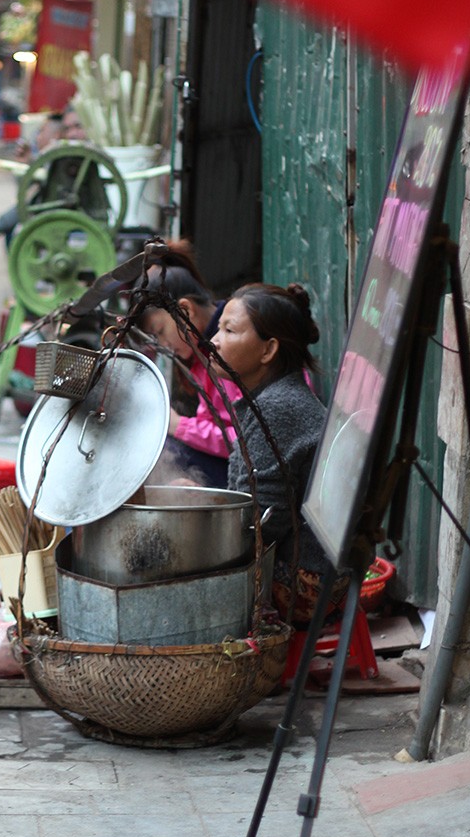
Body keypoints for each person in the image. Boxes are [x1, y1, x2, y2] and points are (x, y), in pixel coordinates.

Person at [213, 281, 331, 620]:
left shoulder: (277, 409)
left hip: (307, 578)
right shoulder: (272, 398)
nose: (213, 341)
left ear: (268, 350)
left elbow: (263, 524)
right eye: (219, 328)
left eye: (229, 330)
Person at [140, 243, 240, 489]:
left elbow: (246, 443)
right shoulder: (199, 357)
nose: (163, 345)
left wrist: (180, 426)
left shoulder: (227, 350)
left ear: (185, 310)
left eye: (161, 332)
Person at [0, 108, 86, 250]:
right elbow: (30, 196)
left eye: (41, 131)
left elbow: (30, 200)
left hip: (72, 228)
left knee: (17, 234)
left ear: (56, 135)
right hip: (64, 222)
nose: (37, 137)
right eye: (68, 128)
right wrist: (28, 165)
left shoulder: (71, 161)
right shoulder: (57, 160)